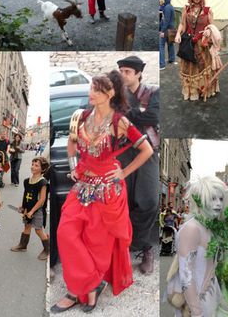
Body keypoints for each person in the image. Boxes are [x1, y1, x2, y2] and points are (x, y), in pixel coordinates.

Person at [51, 71, 153, 313]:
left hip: (107, 189)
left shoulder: (120, 122)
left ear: (110, 94)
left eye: (96, 90)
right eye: (91, 88)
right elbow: (72, 143)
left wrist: (123, 173)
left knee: (96, 242)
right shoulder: (80, 116)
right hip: (83, 185)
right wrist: (74, 168)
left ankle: (82, 289)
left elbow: (146, 149)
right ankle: (86, 285)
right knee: (66, 233)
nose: (91, 93)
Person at [117, 56, 160, 275]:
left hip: (148, 150)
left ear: (138, 74)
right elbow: (112, 118)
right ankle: (130, 247)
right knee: (125, 201)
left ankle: (143, 246)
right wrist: (138, 115)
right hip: (122, 151)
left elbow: (154, 116)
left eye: (127, 71)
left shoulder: (153, 91)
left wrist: (129, 114)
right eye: (121, 71)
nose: (123, 74)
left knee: (150, 201)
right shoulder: (116, 94)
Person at [165, 176, 225, 317]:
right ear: (200, 200)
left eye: (221, 199)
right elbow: (186, 275)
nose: (218, 204)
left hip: (210, 296)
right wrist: (196, 311)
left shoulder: (209, 227)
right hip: (195, 301)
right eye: (212, 198)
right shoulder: (192, 229)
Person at [174, 0, 217, 100]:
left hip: (202, 45)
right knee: (190, 69)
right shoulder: (186, 9)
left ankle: (204, 90)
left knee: (202, 68)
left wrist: (209, 31)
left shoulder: (208, 11)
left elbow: (212, 27)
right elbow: (182, 24)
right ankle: (191, 92)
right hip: (188, 44)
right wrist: (178, 33)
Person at [10, 156, 50, 261]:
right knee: (27, 226)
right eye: (32, 164)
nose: (33, 167)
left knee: (38, 230)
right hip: (27, 209)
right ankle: (23, 245)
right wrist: (23, 207)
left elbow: (42, 200)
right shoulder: (27, 181)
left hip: (37, 210)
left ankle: (47, 249)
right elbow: (26, 194)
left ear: (43, 169)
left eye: (36, 165)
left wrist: (32, 211)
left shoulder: (43, 182)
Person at [159, 0, 176, 70]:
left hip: (167, 29)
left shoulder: (167, 8)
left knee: (161, 46)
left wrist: (162, 31)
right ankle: (171, 60)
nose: (160, 0)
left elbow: (166, 21)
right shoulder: (169, 6)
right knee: (170, 45)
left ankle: (162, 65)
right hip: (171, 28)